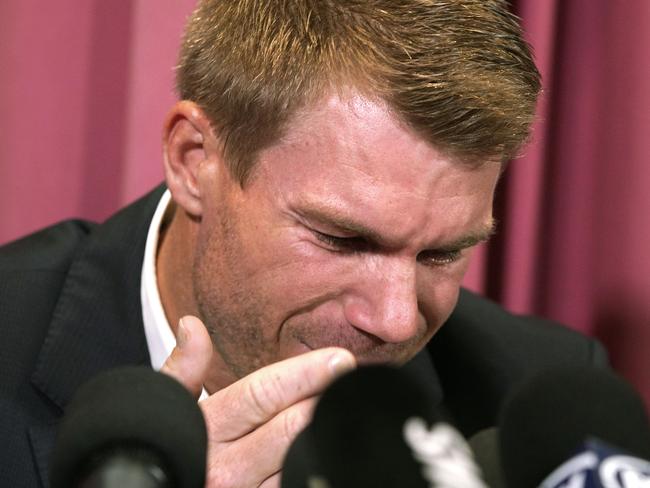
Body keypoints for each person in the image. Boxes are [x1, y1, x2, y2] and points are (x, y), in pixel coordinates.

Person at [0, 1, 607, 487]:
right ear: (194, 163)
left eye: (441, 254)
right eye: (343, 239)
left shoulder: (538, 408)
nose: (395, 322)